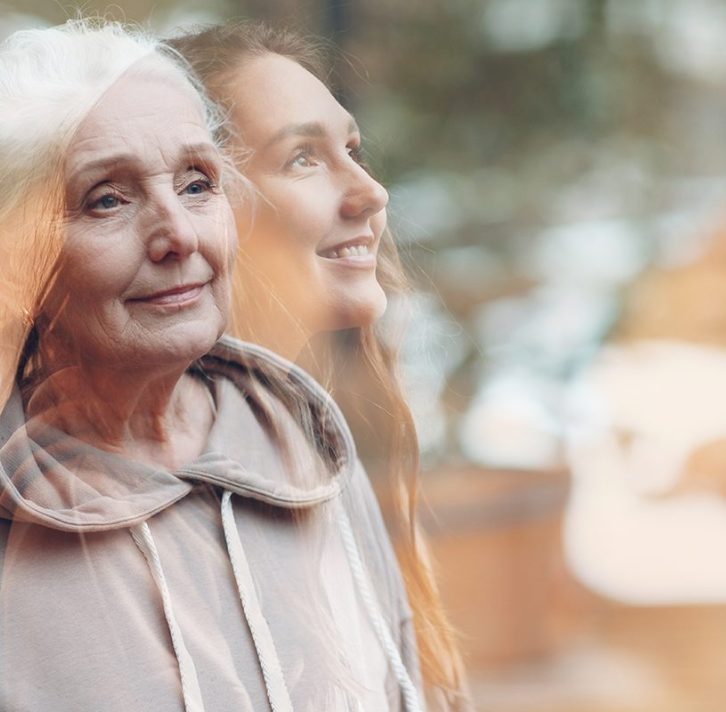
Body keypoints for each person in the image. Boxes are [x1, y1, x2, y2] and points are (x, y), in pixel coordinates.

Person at [0, 19, 425, 711]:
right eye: (108, 198)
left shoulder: (305, 448)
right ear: (12, 265)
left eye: (197, 183)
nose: (177, 235)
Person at [168, 22, 470, 710]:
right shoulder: (156, 505)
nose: (369, 192)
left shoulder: (325, 458)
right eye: (303, 158)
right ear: (193, 204)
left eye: (353, 150)